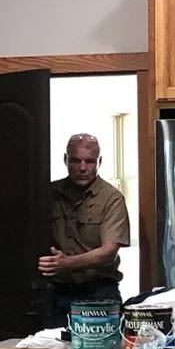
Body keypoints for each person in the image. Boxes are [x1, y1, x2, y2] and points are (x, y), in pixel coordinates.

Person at [39, 132, 131, 325]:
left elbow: (109, 252)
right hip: (56, 293)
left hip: (99, 292)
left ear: (99, 162)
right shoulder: (47, 194)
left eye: (89, 161)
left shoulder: (111, 198)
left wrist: (68, 263)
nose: (82, 168)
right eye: (75, 161)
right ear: (66, 160)